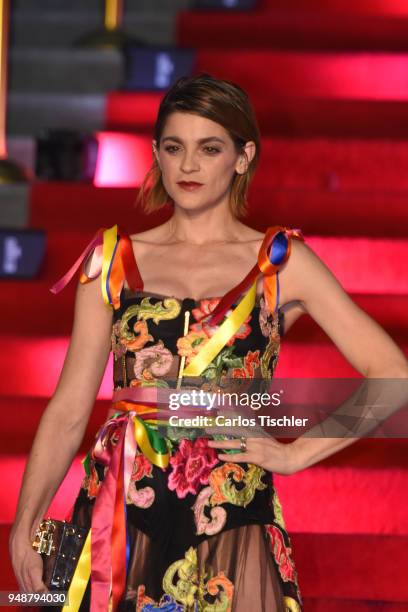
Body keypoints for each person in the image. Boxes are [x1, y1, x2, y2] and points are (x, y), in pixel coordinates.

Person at [9, 73, 408, 612]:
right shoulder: (111, 262)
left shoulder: (280, 262)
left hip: (230, 507)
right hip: (121, 508)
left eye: (210, 148)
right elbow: (69, 407)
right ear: (156, 154)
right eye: (174, 148)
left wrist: (296, 455)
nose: (189, 166)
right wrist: (25, 519)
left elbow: (394, 377)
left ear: (243, 157)